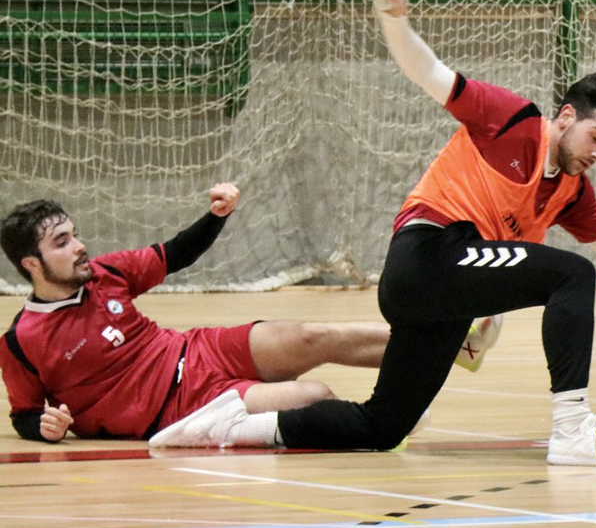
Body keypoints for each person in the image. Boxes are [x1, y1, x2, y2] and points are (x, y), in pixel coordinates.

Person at [147, 0, 596, 463]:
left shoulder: (571, 190)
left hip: (442, 297)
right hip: (425, 256)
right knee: (571, 275)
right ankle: (572, 429)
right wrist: (394, 19)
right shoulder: (510, 119)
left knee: (382, 427)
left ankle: (226, 427)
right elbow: (430, 73)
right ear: (567, 116)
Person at [0, 184, 495, 443]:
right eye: (62, 242)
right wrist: (46, 427)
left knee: (312, 336)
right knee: (313, 396)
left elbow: (176, 253)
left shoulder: (107, 272)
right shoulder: (22, 341)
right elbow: (24, 414)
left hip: (197, 349)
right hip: (181, 407)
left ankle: (458, 344)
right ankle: (392, 420)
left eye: (75, 235)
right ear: (31, 264)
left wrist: (217, 216)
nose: (79, 247)